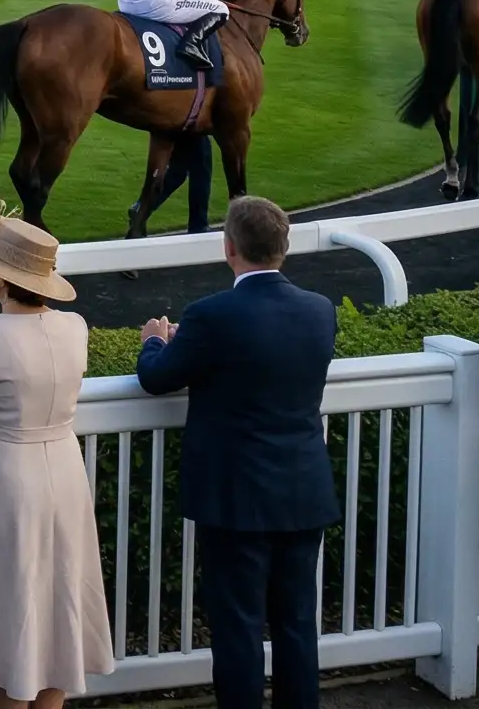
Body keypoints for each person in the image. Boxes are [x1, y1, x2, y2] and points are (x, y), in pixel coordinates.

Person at [135, 196, 338, 709]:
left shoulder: (210, 315)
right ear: (283, 249)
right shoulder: (319, 309)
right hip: (301, 490)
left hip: (236, 499)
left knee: (239, 630)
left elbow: (157, 379)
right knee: (296, 627)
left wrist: (154, 342)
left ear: (229, 248)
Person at [0, 211, 113, 709]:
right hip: (63, 470)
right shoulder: (74, 327)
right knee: (57, 602)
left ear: (1, 277)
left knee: (8, 605)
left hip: (6, 480)